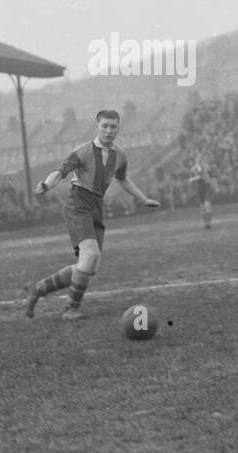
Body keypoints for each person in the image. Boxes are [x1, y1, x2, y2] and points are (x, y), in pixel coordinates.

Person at [22, 109, 160, 321]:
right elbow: (61, 171)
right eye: (104, 126)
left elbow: (123, 179)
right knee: (91, 256)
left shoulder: (120, 155)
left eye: (113, 127)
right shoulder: (84, 151)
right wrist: (46, 185)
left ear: (118, 128)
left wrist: (143, 199)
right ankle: (70, 309)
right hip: (77, 203)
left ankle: (38, 289)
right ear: (97, 126)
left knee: (88, 265)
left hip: (96, 206)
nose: (108, 130)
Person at [188, 157, 216, 228]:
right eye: (198, 160)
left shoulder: (206, 167)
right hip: (198, 189)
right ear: (195, 161)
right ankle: (205, 222)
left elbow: (212, 177)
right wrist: (196, 178)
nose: (199, 161)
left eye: (200, 160)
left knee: (208, 205)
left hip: (206, 187)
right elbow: (190, 179)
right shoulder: (193, 169)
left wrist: (215, 186)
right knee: (202, 207)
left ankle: (209, 222)